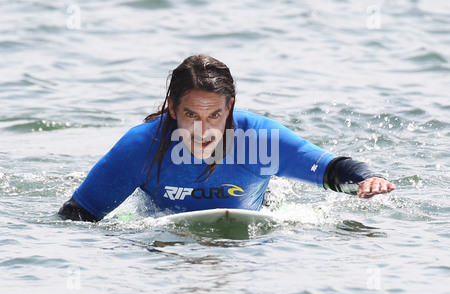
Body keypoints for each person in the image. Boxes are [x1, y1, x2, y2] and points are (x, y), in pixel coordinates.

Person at [59, 54, 396, 222]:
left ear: (230, 107)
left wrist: (368, 179)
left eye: (215, 115)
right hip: (163, 241)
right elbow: (78, 218)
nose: (203, 130)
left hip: (245, 236)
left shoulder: (260, 141)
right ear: (173, 110)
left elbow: (330, 170)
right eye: (191, 115)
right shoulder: (140, 148)